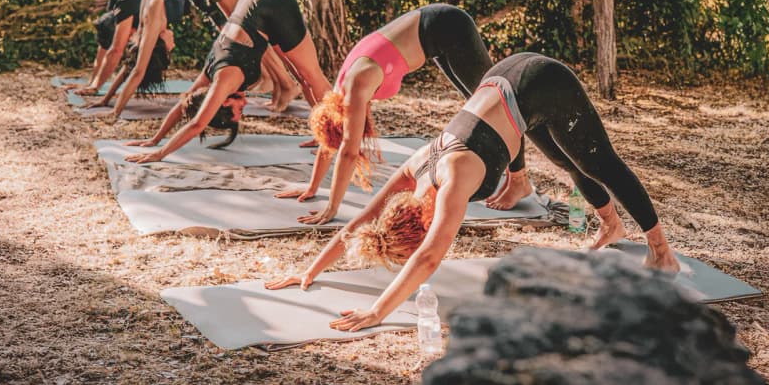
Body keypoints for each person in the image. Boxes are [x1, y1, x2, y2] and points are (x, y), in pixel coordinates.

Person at [265, 52, 680, 332]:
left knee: (598, 163)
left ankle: (662, 252)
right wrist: (310, 271)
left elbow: (428, 258)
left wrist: (377, 312)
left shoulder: (452, 181)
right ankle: (611, 226)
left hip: (540, 80)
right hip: (507, 79)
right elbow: (360, 222)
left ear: (422, 224)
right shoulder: (415, 171)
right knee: (566, 160)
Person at [287, 4, 530, 225]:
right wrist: (312, 188)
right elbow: (331, 142)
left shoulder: (357, 85)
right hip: (436, 34)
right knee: (485, 103)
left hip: (449, 27)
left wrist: (332, 207)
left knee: (499, 102)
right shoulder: (339, 93)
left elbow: (348, 152)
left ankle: (519, 181)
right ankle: (517, 177)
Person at [124, 0, 333, 163]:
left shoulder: (224, 80)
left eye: (239, 109)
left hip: (273, 3)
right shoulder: (210, 73)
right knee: (302, 77)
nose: (245, 104)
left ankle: (338, 136)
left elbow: (197, 124)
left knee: (312, 75)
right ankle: (324, 133)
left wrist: (160, 153)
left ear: (224, 102)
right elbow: (184, 104)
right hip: (257, 5)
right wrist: (156, 139)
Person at [91, 0, 296, 116]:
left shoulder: (153, 20)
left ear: (158, 44)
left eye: (168, 51)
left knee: (246, 27)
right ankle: (279, 84)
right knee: (244, 27)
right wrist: (106, 99)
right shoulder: (146, 30)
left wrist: (114, 112)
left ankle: (286, 84)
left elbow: (138, 71)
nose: (173, 47)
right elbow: (133, 64)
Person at [67, 0, 185, 95]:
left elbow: (116, 50)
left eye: (128, 38)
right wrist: (91, 82)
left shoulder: (127, 2)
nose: (130, 40)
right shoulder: (117, 10)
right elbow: (106, 47)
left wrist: (95, 88)